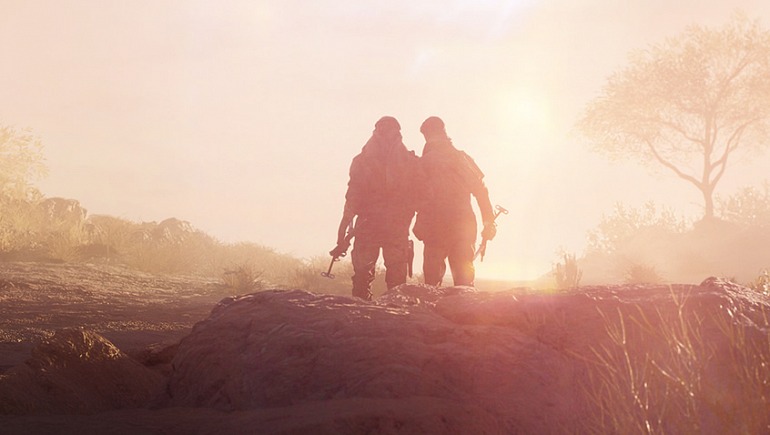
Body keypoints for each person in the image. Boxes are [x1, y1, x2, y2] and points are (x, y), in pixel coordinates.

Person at [329, 116, 418, 300]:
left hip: (373, 226)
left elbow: (352, 197)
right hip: (391, 226)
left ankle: (364, 309)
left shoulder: (362, 160)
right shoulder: (409, 161)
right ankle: (391, 311)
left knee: (365, 277)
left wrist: (342, 233)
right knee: (393, 280)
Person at [412, 116, 496, 287]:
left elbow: (414, 196)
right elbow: (481, 191)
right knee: (464, 285)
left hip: (436, 228)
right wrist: (488, 222)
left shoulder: (425, 162)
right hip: (462, 227)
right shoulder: (461, 158)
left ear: (428, 135)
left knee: (431, 286)